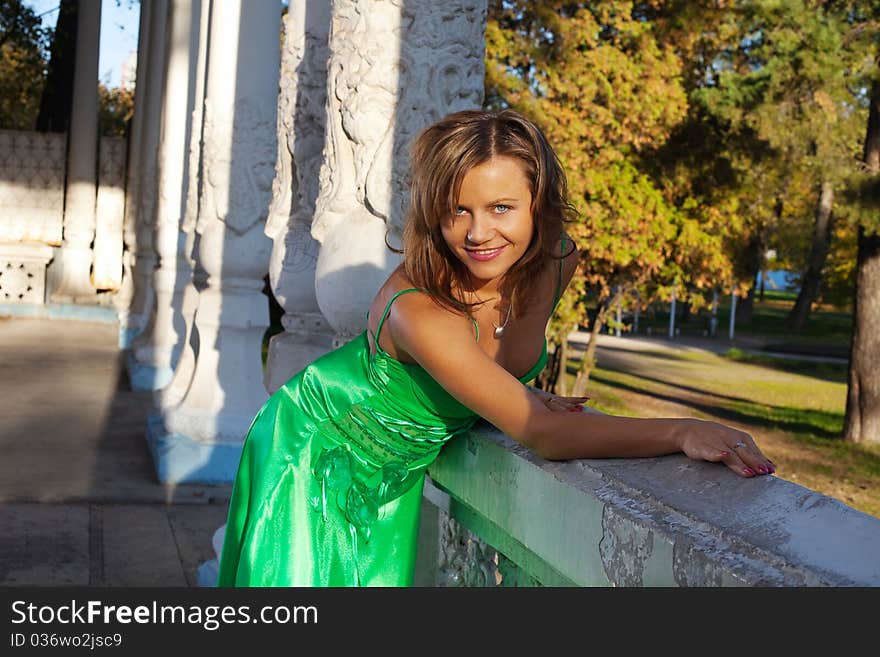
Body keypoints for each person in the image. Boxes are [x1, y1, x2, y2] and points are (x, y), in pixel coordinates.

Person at [216, 109, 774, 587]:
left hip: (397, 472)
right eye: (458, 209)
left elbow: (503, 369)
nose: (478, 233)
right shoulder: (420, 309)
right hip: (317, 454)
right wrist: (679, 431)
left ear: (539, 203)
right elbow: (543, 434)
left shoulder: (556, 262)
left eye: (501, 208)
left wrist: (513, 392)